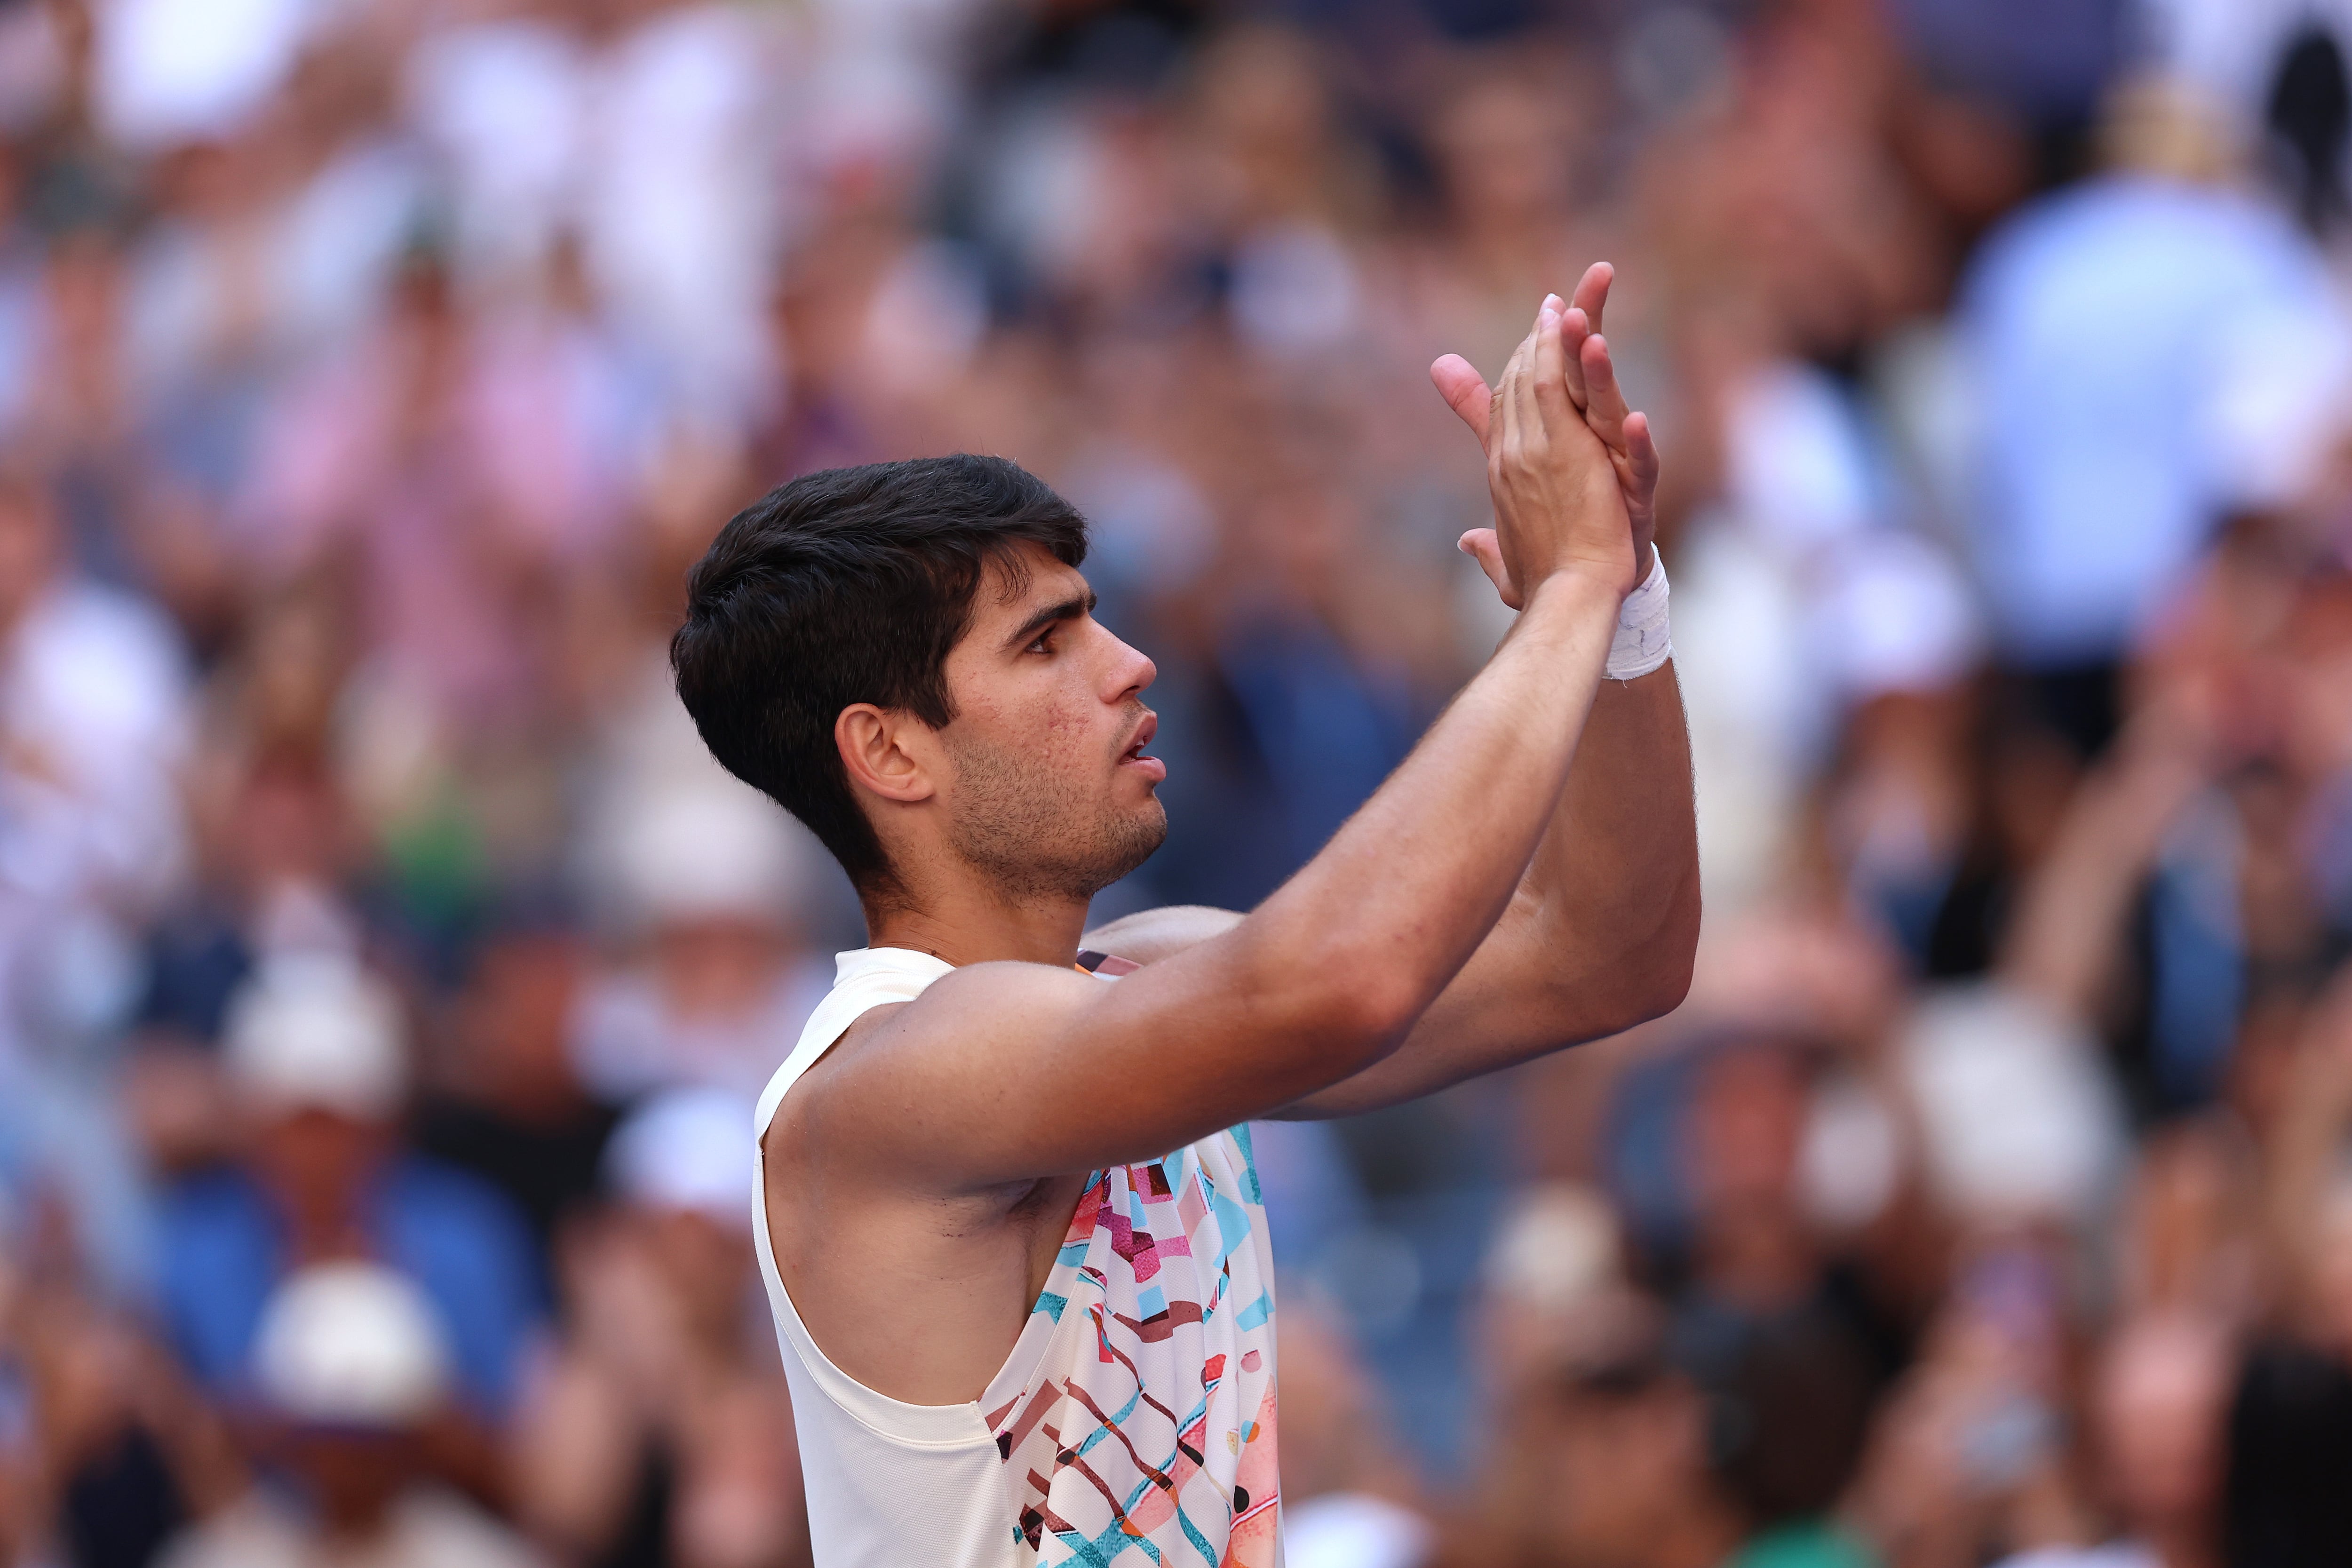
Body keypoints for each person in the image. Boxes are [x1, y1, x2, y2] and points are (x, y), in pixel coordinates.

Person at [669, 261, 1698, 1567]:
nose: (1129, 664)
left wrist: (1625, 606)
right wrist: (1564, 592)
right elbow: (1341, 981)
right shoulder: (882, 1082)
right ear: (890, 754)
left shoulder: (1138, 978)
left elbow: (1609, 955)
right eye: (1047, 644)